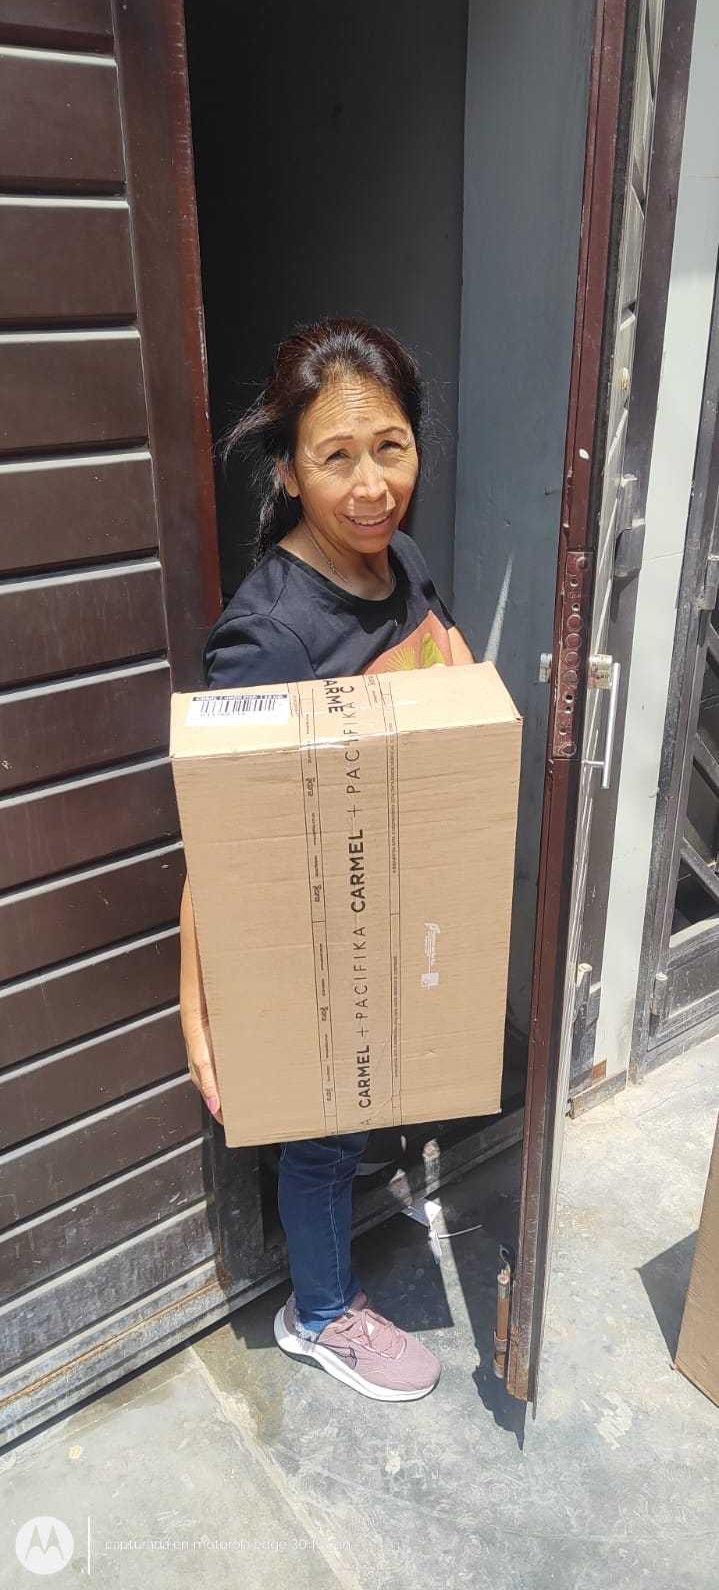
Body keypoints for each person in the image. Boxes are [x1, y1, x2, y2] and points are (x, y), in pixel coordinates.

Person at [179, 318, 475, 1402]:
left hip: (384, 903)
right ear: (289, 471)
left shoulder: (403, 563)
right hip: (310, 936)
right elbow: (219, 835)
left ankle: (348, 1225)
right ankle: (316, 1312)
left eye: (389, 448)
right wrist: (198, 1003)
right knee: (322, 1131)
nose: (369, 486)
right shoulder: (269, 636)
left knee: (364, 1107)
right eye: (335, 456)